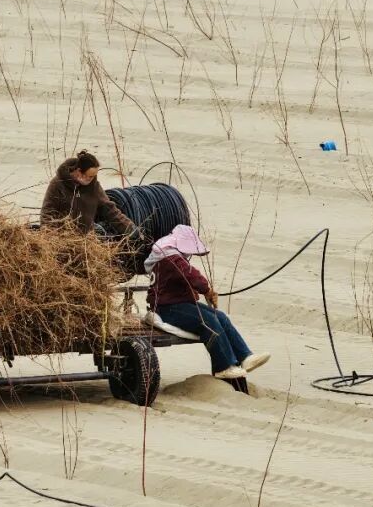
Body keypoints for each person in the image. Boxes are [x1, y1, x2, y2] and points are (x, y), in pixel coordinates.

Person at [144, 225, 270, 381]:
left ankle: (245, 356)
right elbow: (191, 275)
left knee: (220, 317)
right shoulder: (170, 258)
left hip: (180, 304)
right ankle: (223, 367)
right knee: (208, 321)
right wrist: (207, 290)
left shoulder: (168, 257)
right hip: (167, 308)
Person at [40, 151, 135, 236]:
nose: (92, 179)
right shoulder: (58, 184)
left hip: (86, 241)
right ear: (78, 171)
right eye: (90, 176)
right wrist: (50, 236)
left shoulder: (94, 187)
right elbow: (47, 212)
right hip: (62, 238)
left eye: (94, 176)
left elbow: (111, 211)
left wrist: (131, 230)